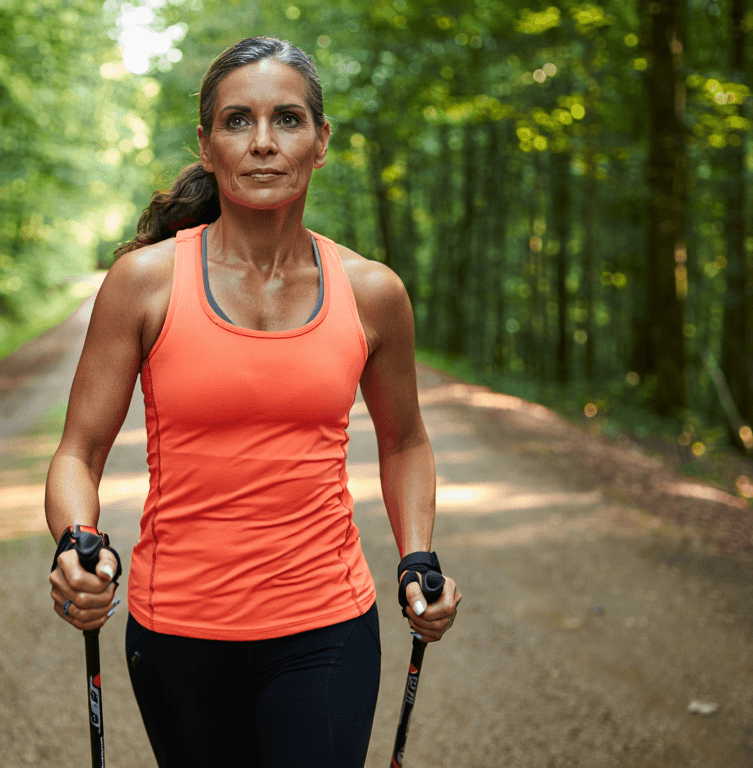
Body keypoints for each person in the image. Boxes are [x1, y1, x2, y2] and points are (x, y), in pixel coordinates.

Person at [45, 36, 462, 767]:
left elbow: (405, 443)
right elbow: (78, 451)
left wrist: (416, 555)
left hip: (326, 623)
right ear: (206, 146)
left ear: (321, 142)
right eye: (238, 121)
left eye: (288, 120)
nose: (263, 143)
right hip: (176, 629)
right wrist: (76, 545)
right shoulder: (145, 283)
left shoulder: (372, 292)